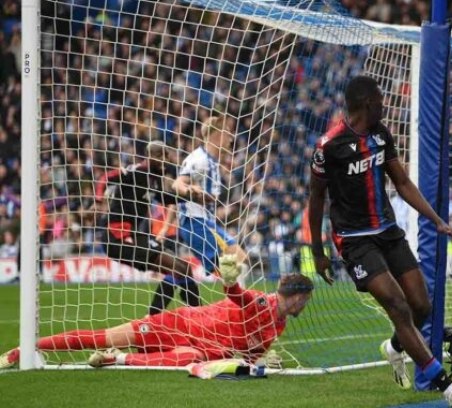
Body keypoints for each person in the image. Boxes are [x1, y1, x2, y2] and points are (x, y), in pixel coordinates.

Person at [308, 76, 452, 407]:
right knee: (398, 307)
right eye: (381, 100)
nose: (386, 105)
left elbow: (401, 182)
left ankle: (394, 348)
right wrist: (318, 251)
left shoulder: (381, 135)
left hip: (387, 231)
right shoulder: (328, 146)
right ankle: (448, 388)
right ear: (368, 104)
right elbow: (315, 200)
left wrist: (438, 221)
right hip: (354, 241)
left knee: (421, 306)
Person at [0, 267, 313, 369]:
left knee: (188, 359)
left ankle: (117, 360)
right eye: (306, 299)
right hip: (178, 324)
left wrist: (261, 362)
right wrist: (230, 280)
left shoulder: (279, 325)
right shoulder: (261, 302)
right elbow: (236, 294)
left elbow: (245, 357)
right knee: (103, 335)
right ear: (298, 296)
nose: (306, 305)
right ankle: (21, 350)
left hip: (197, 349)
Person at [95, 141, 201, 315]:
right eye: (164, 157)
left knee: (185, 268)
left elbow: (164, 198)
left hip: (137, 235)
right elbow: (105, 178)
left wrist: (191, 197)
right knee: (176, 268)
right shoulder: (137, 171)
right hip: (119, 236)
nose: (167, 161)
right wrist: (99, 199)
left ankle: (197, 315)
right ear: (153, 157)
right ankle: (153, 319)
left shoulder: (154, 178)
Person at [172, 115, 248, 280]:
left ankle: (236, 305)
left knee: (234, 272)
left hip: (205, 223)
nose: (231, 138)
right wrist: (192, 191)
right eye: (227, 132)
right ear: (217, 134)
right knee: (238, 265)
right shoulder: (200, 160)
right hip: (196, 224)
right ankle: (242, 306)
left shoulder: (211, 161)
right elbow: (177, 185)